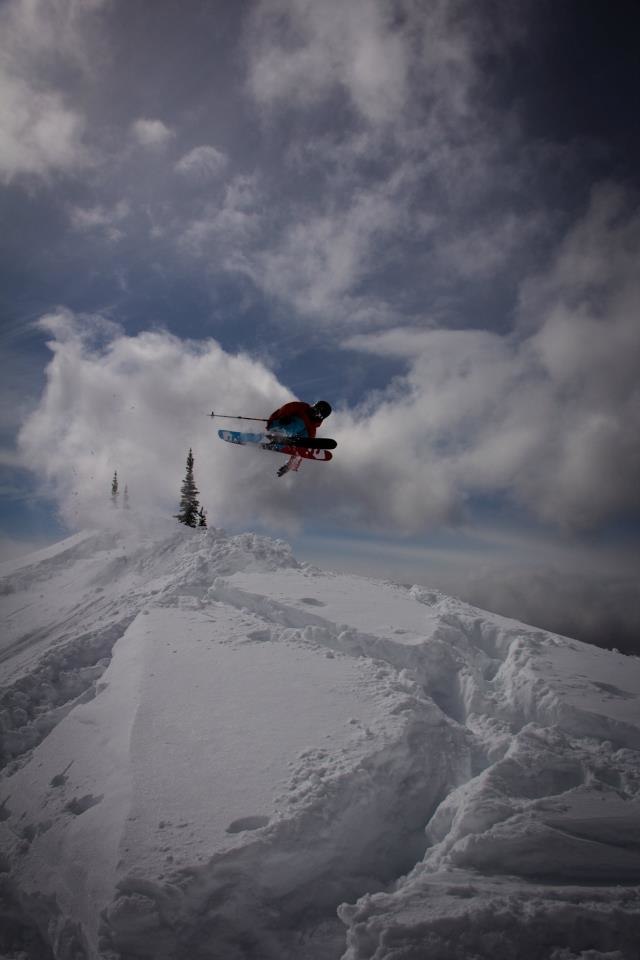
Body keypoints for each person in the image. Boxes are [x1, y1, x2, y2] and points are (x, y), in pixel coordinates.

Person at [266, 400, 332, 477]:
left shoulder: (312, 428)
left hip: (286, 437)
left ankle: (279, 444)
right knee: (301, 423)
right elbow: (287, 408)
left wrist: (290, 465)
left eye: (317, 413)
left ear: (320, 417)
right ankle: (278, 436)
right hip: (279, 424)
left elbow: (303, 449)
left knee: (305, 438)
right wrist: (284, 416)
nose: (313, 412)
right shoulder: (302, 407)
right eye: (314, 409)